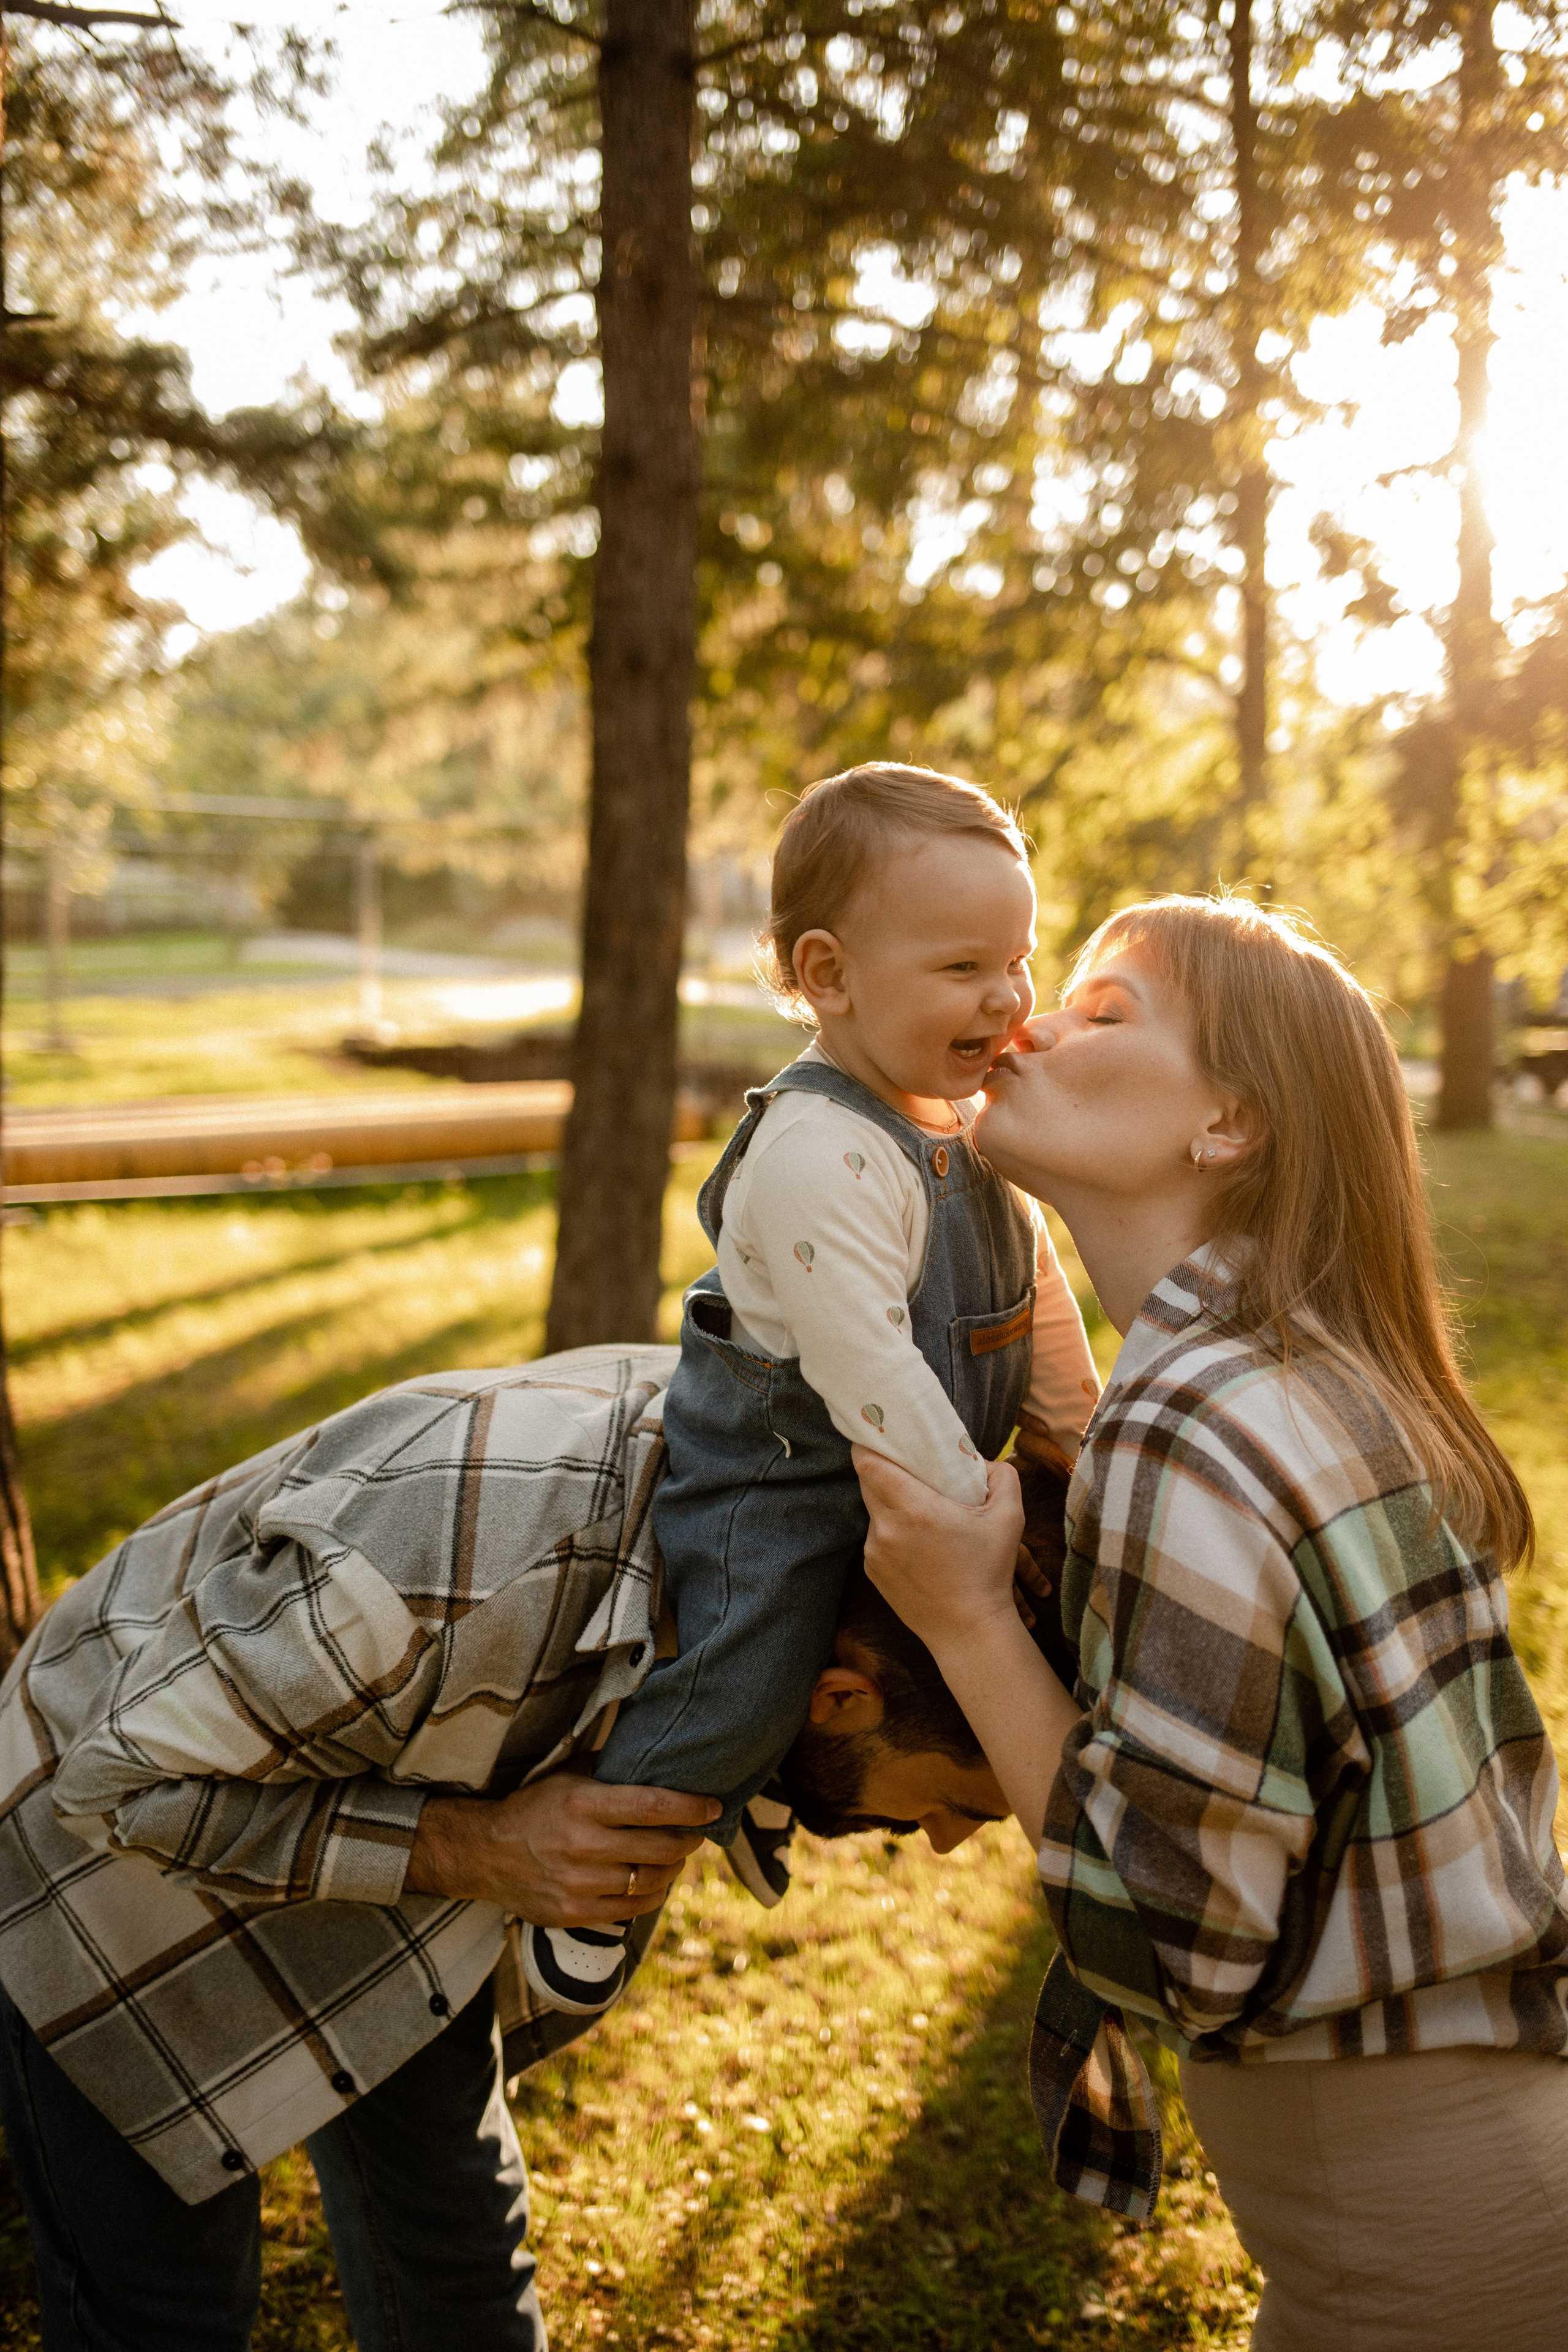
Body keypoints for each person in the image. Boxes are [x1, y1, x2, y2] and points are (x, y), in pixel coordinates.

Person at [856, 894, 1568, 2352]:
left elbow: (1173, 1944)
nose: (1027, 1023)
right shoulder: (1308, 1371)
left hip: (1419, 2240)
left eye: (1104, 1013)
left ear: (1227, 1124)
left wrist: (965, 1618)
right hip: (1481, 2163)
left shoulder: (1186, 1422)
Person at [0, 1343, 1011, 2352]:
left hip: (372, 1819)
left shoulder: (768, 1560)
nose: (945, 1843)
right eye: (963, 1804)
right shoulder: (452, 1579)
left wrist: (459, 1850)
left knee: (458, 2249)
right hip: (98, 1863)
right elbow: (116, 1782)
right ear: (843, 1698)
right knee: (170, 2315)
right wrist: (476, 1850)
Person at [526, 764, 1099, 2015]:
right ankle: (631, 1854)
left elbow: (1033, 1291)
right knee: (745, 1676)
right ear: (829, 975)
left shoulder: (965, 1121)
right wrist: (977, 1519)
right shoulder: (817, 1151)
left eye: (1019, 959)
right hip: (780, 1486)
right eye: (963, 966)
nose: (1007, 996)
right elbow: (867, 1370)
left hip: (916, 1485)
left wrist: (1084, 1441)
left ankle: (757, 1788)